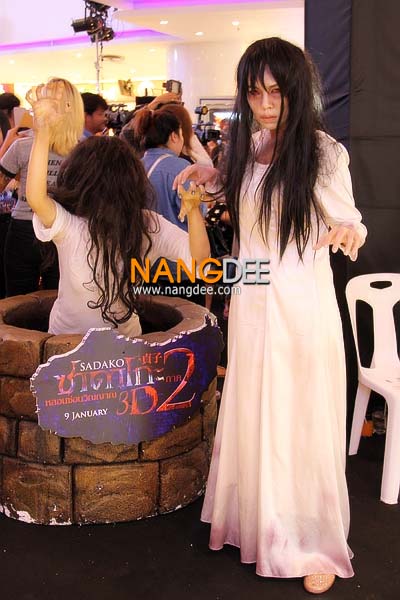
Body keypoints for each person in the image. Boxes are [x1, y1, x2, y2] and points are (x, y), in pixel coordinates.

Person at [173, 37, 367, 594]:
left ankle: (313, 538)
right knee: (257, 408)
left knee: (298, 416)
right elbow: (250, 197)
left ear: (296, 90)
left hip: (298, 303)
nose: (264, 104)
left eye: (275, 92)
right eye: (255, 92)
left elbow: (351, 219)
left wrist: (347, 231)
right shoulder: (252, 144)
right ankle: (262, 522)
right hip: (252, 296)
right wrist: (212, 177)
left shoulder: (323, 152)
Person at [25, 80, 209, 337]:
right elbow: (35, 198)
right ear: (130, 181)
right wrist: (42, 132)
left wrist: (193, 211)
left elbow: (200, 263)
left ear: (82, 179)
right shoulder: (76, 224)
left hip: (103, 339)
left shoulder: (143, 223)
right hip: (76, 340)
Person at [0, 78, 84, 296]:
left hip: (62, 232)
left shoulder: (85, 152)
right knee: (27, 300)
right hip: (28, 230)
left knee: (55, 298)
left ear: (70, 107)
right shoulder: (22, 145)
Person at [132, 106, 208, 306]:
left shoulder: (135, 166)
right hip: (179, 268)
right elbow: (197, 213)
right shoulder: (181, 168)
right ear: (174, 136)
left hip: (143, 267)